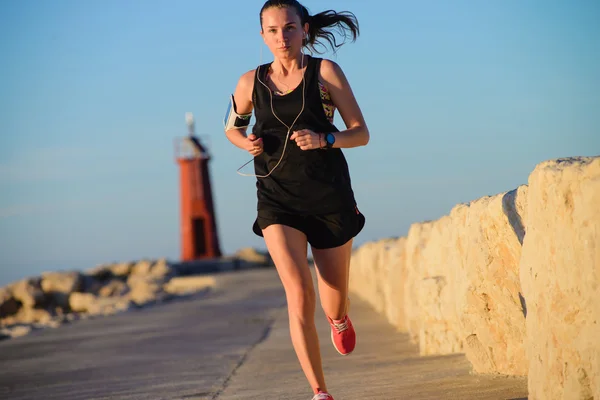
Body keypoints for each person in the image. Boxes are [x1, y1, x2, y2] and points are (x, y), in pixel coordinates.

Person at [224, 1, 369, 399]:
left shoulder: (324, 73)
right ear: (262, 36)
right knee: (298, 292)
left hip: (329, 196)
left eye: (289, 28)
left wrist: (326, 138)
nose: (281, 37)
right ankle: (319, 391)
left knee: (332, 298)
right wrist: (246, 142)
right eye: (272, 31)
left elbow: (360, 132)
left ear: (304, 30)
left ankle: (338, 319)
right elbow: (231, 129)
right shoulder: (248, 83)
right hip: (277, 200)